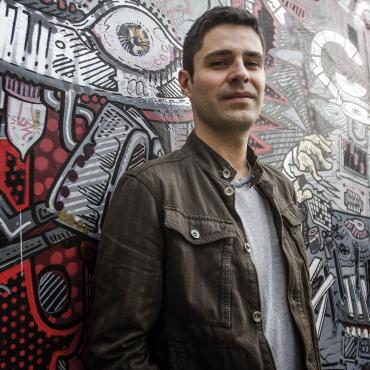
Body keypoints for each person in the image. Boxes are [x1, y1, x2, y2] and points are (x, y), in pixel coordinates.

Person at [89, 6, 321, 370]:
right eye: (220, 62)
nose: (241, 74)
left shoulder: (282, 191)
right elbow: (117, 353)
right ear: (186, 82)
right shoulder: (151, 191)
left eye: (253, 62)